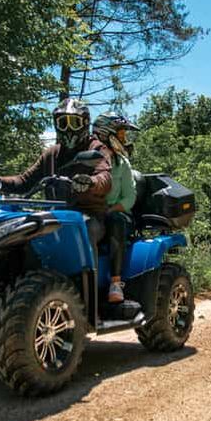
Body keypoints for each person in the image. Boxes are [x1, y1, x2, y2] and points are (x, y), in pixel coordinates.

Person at [0, 98, 113, 245]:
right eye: (63, 123)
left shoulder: (96, 148)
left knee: (83, 230)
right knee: (25, 232)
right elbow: (24, 181)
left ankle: (87, 262)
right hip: (55, 214)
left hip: (89, 214)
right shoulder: (52, 153)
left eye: (74, 122)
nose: (68, 128)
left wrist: (90, 182)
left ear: (85, 123)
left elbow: (105, 177)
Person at [92, 112, 139, 303]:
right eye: (121, 133)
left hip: (118, 213)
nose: (124, 138)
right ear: (106, 134)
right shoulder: (87, 160)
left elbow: (129, 198)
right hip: (92, 213)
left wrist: (110, 210)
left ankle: (115, 282)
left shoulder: (122, 164)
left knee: (115, 220)